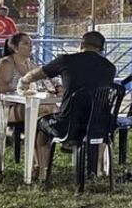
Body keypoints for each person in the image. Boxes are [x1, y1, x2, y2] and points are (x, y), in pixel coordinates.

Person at [17, 30, 117, 181]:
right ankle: (96, 169)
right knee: (98, 125)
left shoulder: (66, 60)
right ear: (102, 49)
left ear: (81, 44)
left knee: (41, 124)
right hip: (99, 125)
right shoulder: (110, 67)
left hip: (67, 124)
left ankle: (43, 172)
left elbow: (36, 74)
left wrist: (24, 81)